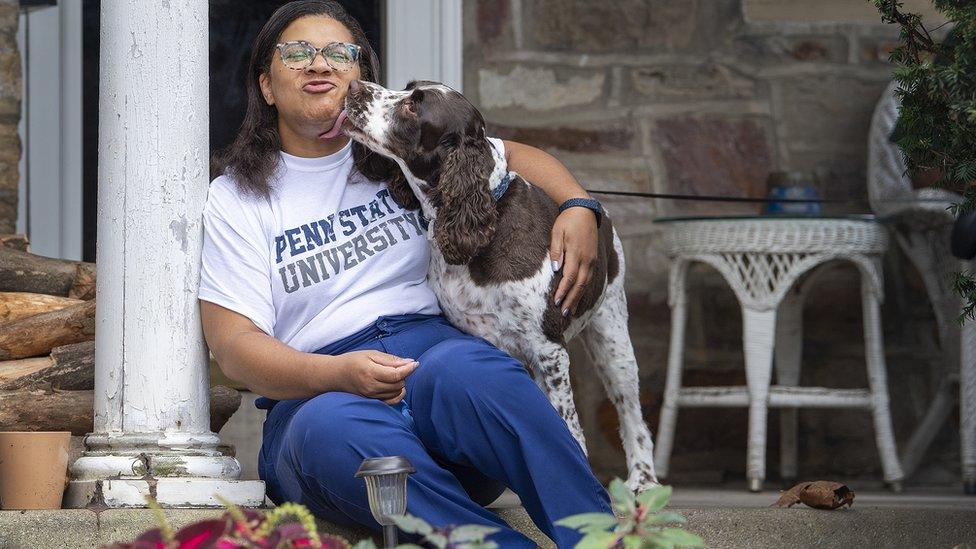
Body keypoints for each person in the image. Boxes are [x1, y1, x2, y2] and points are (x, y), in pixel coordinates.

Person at [198, 1, 612, 546]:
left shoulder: (398, 156)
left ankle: (603, 541)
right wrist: (338, 374)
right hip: (317, 394)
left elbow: (500, 153)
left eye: (338, 53)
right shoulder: (238, 198)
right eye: (297, 53)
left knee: (487, 379)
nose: (318, 64)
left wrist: (580, 205)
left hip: (434, 359)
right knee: (339, 432)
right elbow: (233, 348)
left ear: (361, 75)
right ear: (267, 86)